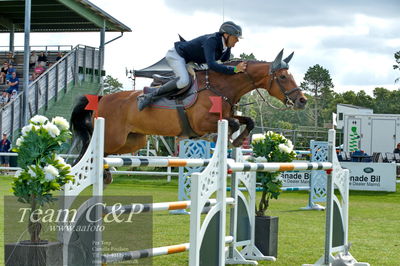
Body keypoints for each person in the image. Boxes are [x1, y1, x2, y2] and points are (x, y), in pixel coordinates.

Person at [137, 21, 247, 111]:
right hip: (177, 55)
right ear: (226, 35)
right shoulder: (211, 41)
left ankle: (173, 84)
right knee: (183, 81)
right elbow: (212, 65)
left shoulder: (224, 45)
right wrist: (235, 69)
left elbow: (224, 60)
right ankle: (148, 97)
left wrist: (229, 47)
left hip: (190, 61)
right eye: (235, 37)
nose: (237, 40)